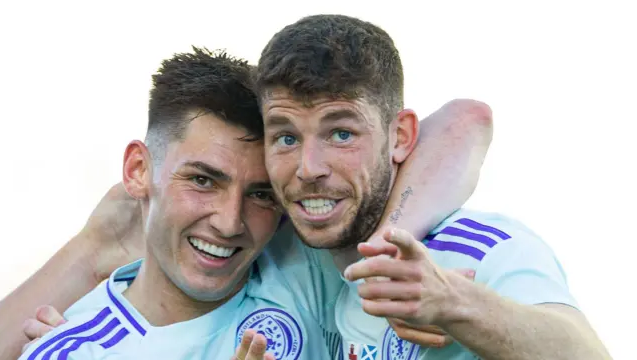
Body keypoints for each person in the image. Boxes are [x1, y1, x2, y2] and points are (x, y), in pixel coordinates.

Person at [0, 45, 493, 360]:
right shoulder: (72, 351)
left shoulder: (295, 261)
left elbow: (465, 122)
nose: (231, 221)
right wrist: (92, 248)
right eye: (203, 180)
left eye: (260, 193)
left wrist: (385, 253)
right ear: (137, 171)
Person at [253, 14, 610, 359]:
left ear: (401, 136)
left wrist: (455, 304)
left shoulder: (483, 251)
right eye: (286, 137)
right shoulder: (273, 247)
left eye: (342, 134)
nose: (308, 168)